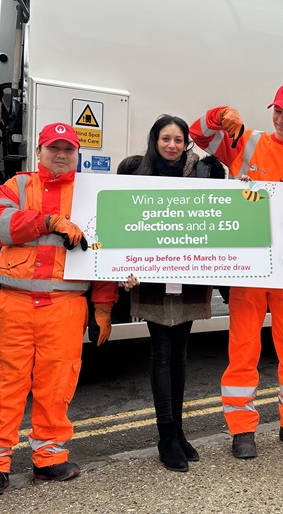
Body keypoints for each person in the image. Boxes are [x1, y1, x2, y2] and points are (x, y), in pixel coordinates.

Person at [0, 122, 119, 499]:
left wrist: (103, 308)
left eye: (68, 149)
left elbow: (102, 253)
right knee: (4, 385)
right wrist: (48, 221)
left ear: (77, 155)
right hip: (15, 303)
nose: (61, 155)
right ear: (38, 152)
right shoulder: (17, 187)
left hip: (65, 306)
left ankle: (49, 457)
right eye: (53, 148)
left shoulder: (91, 195)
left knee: (57, 387)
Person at [189, 84, 283, 459]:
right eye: (277, 111)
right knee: (243, 348)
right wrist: (222, 114)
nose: (281, 119)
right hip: (247, 264)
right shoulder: (245, 141)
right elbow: (197, 133)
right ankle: (241, 430)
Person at [117, 114, 226, 472]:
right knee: (161, 354)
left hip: (190, 276)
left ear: (186, 143)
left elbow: (220, 216)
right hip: (152, 280)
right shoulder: (135, 172)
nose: (172, 146)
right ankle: (166, 435)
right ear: (155, 140)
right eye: (165, 138)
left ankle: (178, 431)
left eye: (178, 140)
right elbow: (121, 223)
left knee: (180, 355)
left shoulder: (204, 172)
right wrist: (121, 269)